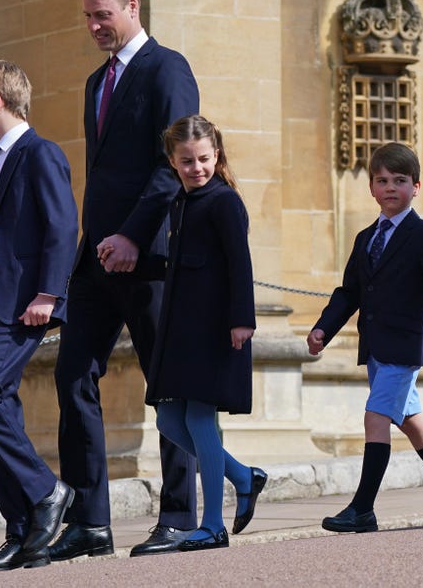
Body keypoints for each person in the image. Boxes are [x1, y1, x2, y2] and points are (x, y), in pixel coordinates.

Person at [50, 0, 200, 561]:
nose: (93, 26)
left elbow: (175, 163)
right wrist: (96, 243)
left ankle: (181, 517)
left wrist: (135, 235)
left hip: (152, 256)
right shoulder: (95, 83)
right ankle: (91, 522)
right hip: (97, 260)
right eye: (87, 16)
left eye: (101, 15)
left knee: (168, 387)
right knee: (71, 375)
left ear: (131, 6)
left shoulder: (168, 69)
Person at [307, 142, 423, 533]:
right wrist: (323, 329)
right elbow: (349, 292)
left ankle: (362, 508)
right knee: (411, 420)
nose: (390, 188)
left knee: (375, 416)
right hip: (375, 348)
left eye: (400, 181)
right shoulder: (366, 238)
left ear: (416, 187)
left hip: (403, 347)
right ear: (371, 187)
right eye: (382, 180)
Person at [0, 60, 78, 572]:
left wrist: (50, 293)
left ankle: (47, 491)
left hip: (25, 304)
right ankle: (23, 530)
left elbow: (61, 225)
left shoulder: (40, 153)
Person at [141, 115, 265, 551]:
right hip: (181, 328)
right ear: (173, 161)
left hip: (215, 327)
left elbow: (239, 263)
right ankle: (243, 476)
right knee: (168, 418)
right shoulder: (180, 201)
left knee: (198, 417)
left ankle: (213, 523)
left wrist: (242, 320)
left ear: (217, 155)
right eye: (187, 161)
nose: (197, 167)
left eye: (204, 159)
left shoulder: (224, 201)